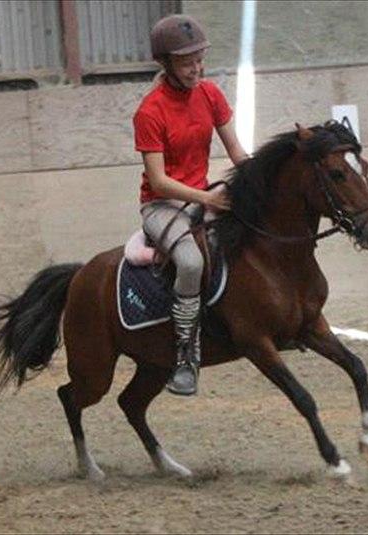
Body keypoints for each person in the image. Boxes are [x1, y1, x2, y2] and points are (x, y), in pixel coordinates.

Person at [133, 14, 249, 396]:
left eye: (199, 59)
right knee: (191, 261)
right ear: (166, 64)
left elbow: (235, 150)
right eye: (186, 62)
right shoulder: (150, 112)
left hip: (201, 196)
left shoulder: (210, 94)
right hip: (163, 205)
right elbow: (160, 180)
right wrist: (207, 198)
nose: (196, 68)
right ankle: (186, 356)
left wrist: (259, 180)